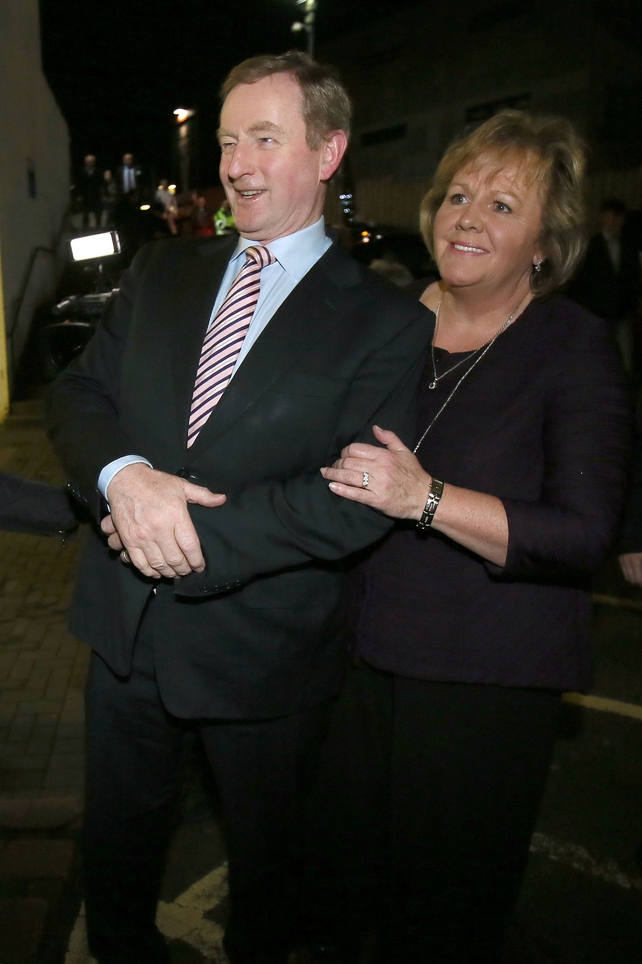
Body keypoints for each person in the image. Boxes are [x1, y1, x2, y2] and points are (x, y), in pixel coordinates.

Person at [47, 51, 430, 964]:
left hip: (263, 653)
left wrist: (171, 532)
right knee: (117, 857)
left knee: (269, 875)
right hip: (126, 639)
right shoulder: (162, 272)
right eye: (227, 140)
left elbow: (352, 499)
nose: (237, 162)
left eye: (265, 137)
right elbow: (76, 397)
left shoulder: (385, 321)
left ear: (330, 150)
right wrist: (124, 480)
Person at [313, 110, 631, 963]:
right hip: (355, 663)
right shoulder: (385, 322)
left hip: (482, 682)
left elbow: (581, 530)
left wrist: (427, 499)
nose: (467, 217)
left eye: (500, 205)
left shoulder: (573, 346)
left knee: (443, 916)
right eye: (459, 195)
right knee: (344, 896)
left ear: (544, 241)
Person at [568, 198, 642, 371]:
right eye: (612, 216)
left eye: (619, 217)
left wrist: (635, 302)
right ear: (603, 217)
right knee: (599, 356)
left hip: (622, 312)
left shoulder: (628, 246)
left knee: (624, 359)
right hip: (598, 312)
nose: (616, 221)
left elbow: (633, 277)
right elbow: (582, 282)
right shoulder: (590, 246)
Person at [76, 154, 103, 229]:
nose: (90, 163)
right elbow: (79, 184)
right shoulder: (82, 172)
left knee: (98, 214)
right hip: (85, 196)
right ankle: (85, 229)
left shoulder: (98, 171)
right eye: (88, 161)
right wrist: (79, 195)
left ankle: (98, 228)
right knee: (85, 214)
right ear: (85, 162)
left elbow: (101, 183)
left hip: (96, 195)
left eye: (91, 161)